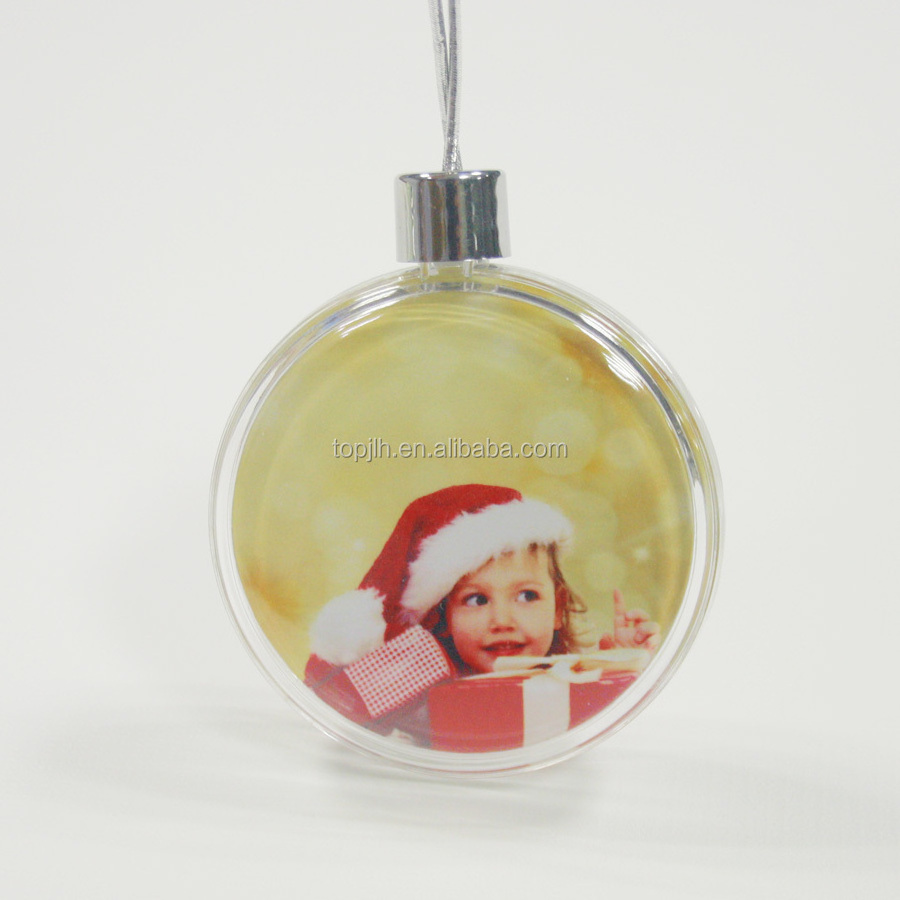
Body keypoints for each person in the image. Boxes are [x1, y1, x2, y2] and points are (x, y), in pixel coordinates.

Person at [303, 483, 658, 731]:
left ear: (556, 609)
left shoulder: (570, 676)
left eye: (527, 596)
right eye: (476, 600)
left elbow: (601, 721)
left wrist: (622, 660)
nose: (502, 620)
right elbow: (333, 704)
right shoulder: (420, 700)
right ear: (444, 617)